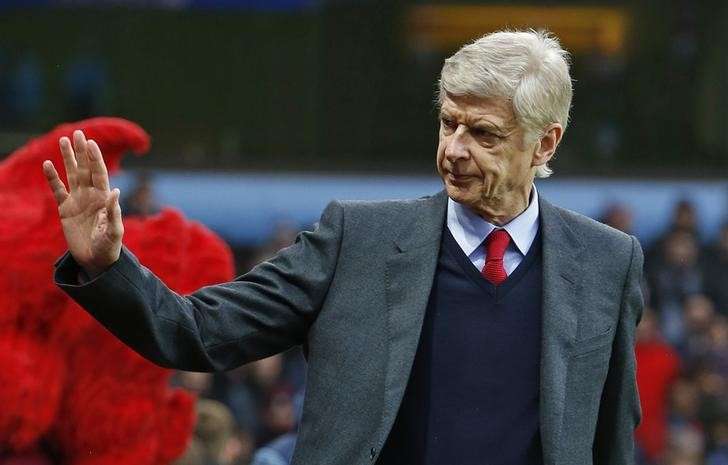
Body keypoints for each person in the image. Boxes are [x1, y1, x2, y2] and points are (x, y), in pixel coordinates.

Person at [43, 30, 644, 465]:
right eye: (447, 123)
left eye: (483, 134)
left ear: (545, 144)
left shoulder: (606, 263)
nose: (454, 149)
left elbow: (612, 438)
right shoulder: (356, 240)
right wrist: (107, 266)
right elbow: (199, 331)